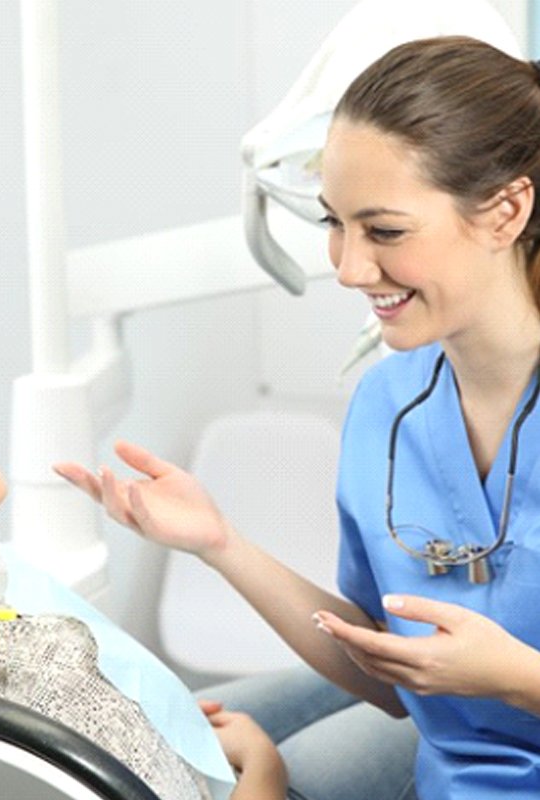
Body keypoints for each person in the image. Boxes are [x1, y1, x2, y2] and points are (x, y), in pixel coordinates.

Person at [57, 36, 540, 799]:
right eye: (335, 224)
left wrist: (517, 677)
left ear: (507, 211)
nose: (348, 268)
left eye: (384, 231)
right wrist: (218, 543)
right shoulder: (387, 407)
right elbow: (390, 674)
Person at [0, 320, 288, 800]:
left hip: (151, 736)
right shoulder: (53, 679)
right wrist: (265, 767)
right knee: (366, 702)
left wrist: (129, 722)